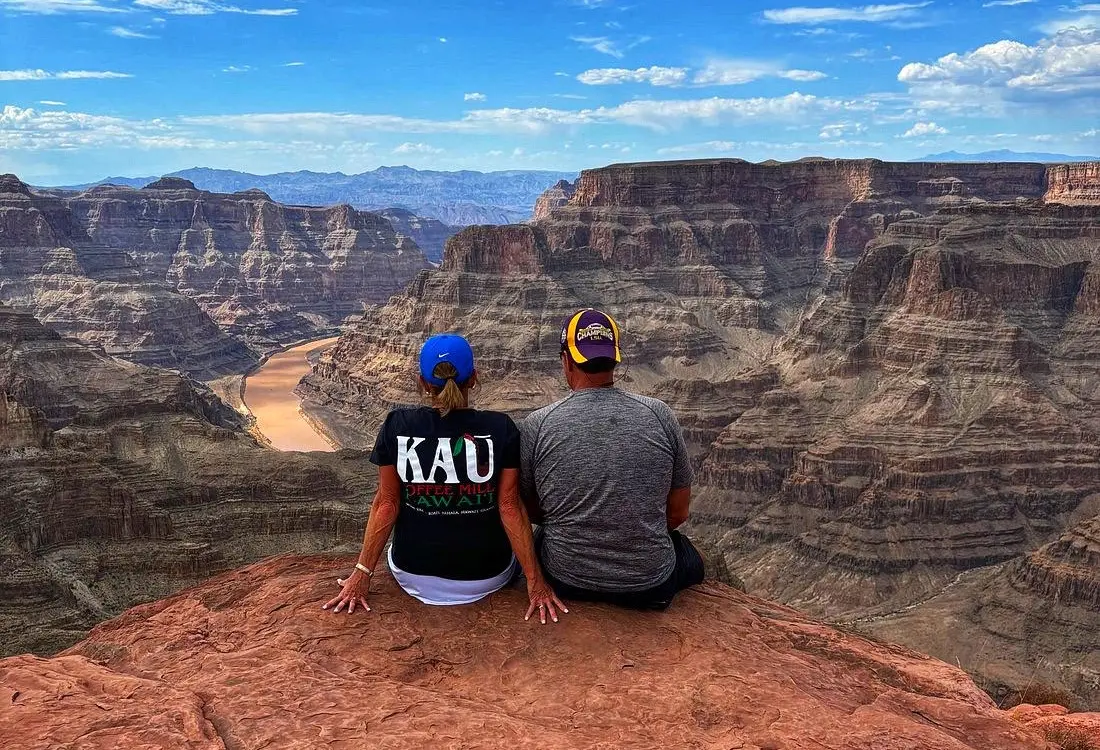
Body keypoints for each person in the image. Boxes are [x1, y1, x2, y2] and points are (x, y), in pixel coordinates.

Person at [325, 333, 566, 624]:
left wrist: (361, 574)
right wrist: (535, 582)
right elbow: (510, 507)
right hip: (487, 576)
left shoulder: (396, 424)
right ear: (473, 378)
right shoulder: (501, 428)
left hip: (411, 573)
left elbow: (386, 505)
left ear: (424, 383)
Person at [519, 309, 705, 610]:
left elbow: (530, 509)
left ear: (566, 360)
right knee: (692, 557)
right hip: (650, 585)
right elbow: (679, 513)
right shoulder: (660, 414)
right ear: (616, 358)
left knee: (540, 536)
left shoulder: (537, 424)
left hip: (566, 580)